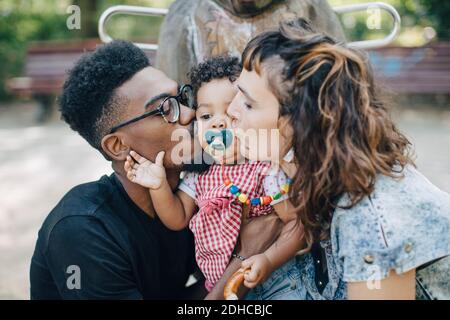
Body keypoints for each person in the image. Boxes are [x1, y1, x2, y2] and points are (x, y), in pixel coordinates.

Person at [29, 40, 282, 300]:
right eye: (166, 109)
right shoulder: (81, 231)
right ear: (117, 145)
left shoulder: (197, 195)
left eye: (183, 97)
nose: (189, 114)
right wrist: (243, 259)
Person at [226, 18, 450, 299]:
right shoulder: (302, 174)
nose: (231, 110)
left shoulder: (371, 217)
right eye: (236, 92)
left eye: (248, 103)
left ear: (299, 124)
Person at [124, 55, 305, 299]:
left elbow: (295, 224)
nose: (218, 124)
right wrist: (158, 186)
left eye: (230, 114)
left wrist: (268, 260)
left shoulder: (265, 167)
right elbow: (177, 218)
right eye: (207, 116)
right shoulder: (200, 172)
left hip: (278, 283)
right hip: (219, 285)